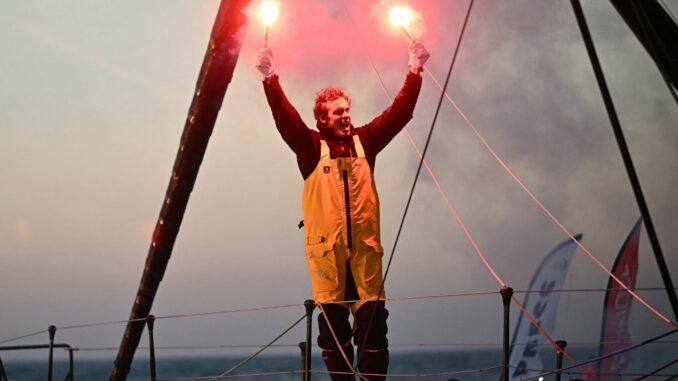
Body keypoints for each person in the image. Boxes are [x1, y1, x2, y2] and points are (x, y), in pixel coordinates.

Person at [256, 41, 429, 381]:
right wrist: (270, 79)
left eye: (347, 110)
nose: (346, 115)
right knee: (333, 336)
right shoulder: (309, 147)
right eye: (338, 112)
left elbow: (399, 113)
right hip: (328, 257)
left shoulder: (367, 141)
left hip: (365, 254)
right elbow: (284, 119)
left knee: (375, 331)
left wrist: (415, 70)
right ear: (322, 118)